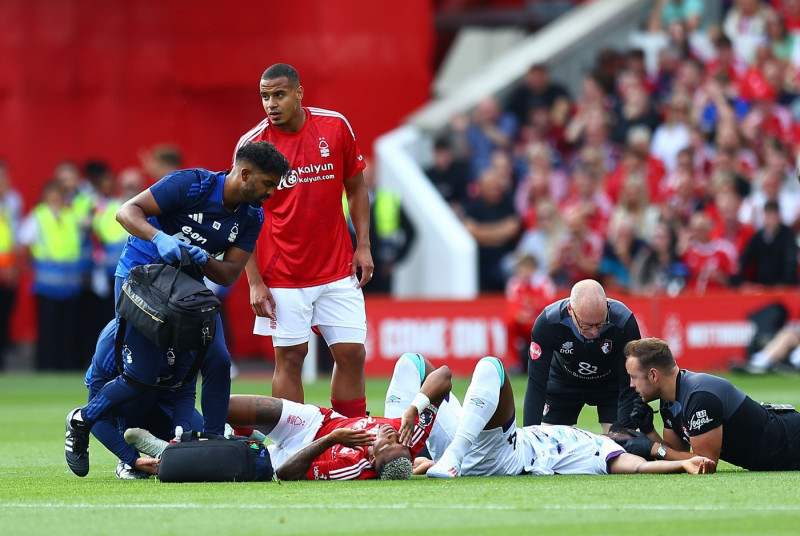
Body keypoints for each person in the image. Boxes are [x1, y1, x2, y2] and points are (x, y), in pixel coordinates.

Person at [63, 140, 290, 477]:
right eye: (268, 183)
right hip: (140, 279)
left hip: (185, 291)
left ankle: (214, 440)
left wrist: (205, 259)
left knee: (217, 358)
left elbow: (228, 274)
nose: (272, 192)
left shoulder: (251, 217)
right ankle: (83, 419)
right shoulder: (190, 184)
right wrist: (160, 238)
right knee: (144, 372)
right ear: (244, 174)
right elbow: (126, 212)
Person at [235, 63, 373, 418]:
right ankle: (294, 443)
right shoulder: (253, 146)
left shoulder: (334, 126)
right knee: (291, 358)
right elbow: (241, 215)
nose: (271, 104)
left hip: (337, 267)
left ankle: (352, 435)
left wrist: (363, 246)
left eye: (278, 94)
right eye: (264, 96)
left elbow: (356, 188)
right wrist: (254, 281)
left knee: (352, 354)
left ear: (299, 93)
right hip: (282, 273)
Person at [382, 353, 715, 477]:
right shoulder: (588, 436)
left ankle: (451, 457)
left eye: (622, 438)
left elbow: (639, 465)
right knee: (410, 363)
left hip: (500, 455)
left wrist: (681, 464)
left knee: (492, 366)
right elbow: (442, 374)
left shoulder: (600, 451)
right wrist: (414, 409)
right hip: (472, 439)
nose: (616, 433)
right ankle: (395, 453)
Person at [128, 359, 453, 481]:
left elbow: (286, 473)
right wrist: (414, 407)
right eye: (397, 441)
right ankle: (233, 437)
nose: (390, 435)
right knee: (222, 405)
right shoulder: (407, 434)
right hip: (314, 422)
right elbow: (444, 375)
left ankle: (170, 450)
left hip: (300, 454)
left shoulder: (348, 468)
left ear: (372, 457)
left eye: (386, 444)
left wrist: (330, 441)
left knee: (229, 462)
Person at [622, 337, 800, 471]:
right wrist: (648, 431)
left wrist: (653, 448)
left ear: (653, 375)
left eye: (633, 377)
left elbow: (705, 463)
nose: (631, 385)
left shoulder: (700, 396)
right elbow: (677, 456)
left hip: (793, 443)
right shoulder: (668, 401)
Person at [84, 320, 204, 479]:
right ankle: (127, 457)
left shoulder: (183, 329)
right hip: (127, 402)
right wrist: (131, 458)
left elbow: (185, 392)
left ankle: (164, 445)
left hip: (162, 397)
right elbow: (94, 414)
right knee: (138, 388)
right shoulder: (112, 341)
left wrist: (180, 433)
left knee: (204, 442)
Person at [523, 279, 642, 432]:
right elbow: (536, 383)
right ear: (570, 310)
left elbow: (630, 380)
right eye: (586, 325)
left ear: (607, 307)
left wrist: (625, 431)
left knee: (621, 446)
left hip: (611, 386)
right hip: (564, 382)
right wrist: (529, 435)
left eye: (600, 323)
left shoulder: (624, 322)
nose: (594, 332)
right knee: (549, 445)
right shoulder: (548, 322)